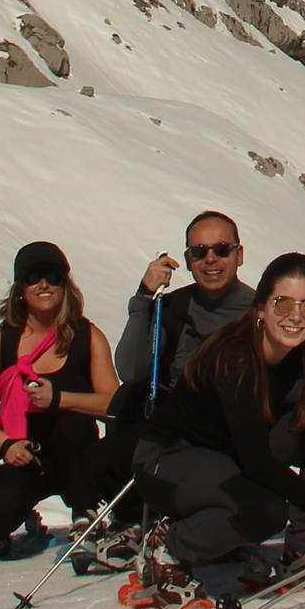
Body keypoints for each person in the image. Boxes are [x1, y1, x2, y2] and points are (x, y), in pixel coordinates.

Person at [131, 252, 305, 602]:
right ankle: (170, 546)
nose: (295, 317)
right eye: (282, 304)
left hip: (229, 456)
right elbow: (255, 460)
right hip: (169, 460)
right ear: (260, 309)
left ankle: (304, 549)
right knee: (264, 511)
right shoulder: (235, 357)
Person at [73, 212, 257, 567]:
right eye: (199, 251)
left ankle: (190, 529)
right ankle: (137, 521)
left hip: (230, 430)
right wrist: (144, 296)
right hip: (171, 426)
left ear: (239, 254)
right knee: (99, 460)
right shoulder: (173, 306)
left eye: (221, 249)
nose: (211, 259)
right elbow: (130, 369)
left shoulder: (259, 312)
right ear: (187, 260)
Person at [0, 240, 120, 560]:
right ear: (20, 289)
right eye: (33, 277)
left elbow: (115, 405)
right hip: (22, 453)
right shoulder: (3, 340)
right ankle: (10, 521)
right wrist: (5, 445)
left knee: (72, 425)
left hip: (75, 456)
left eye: (52, 276)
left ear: (65, 285)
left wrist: (59, 398)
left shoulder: (87, 337)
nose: (43, 284)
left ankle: (85, 513)